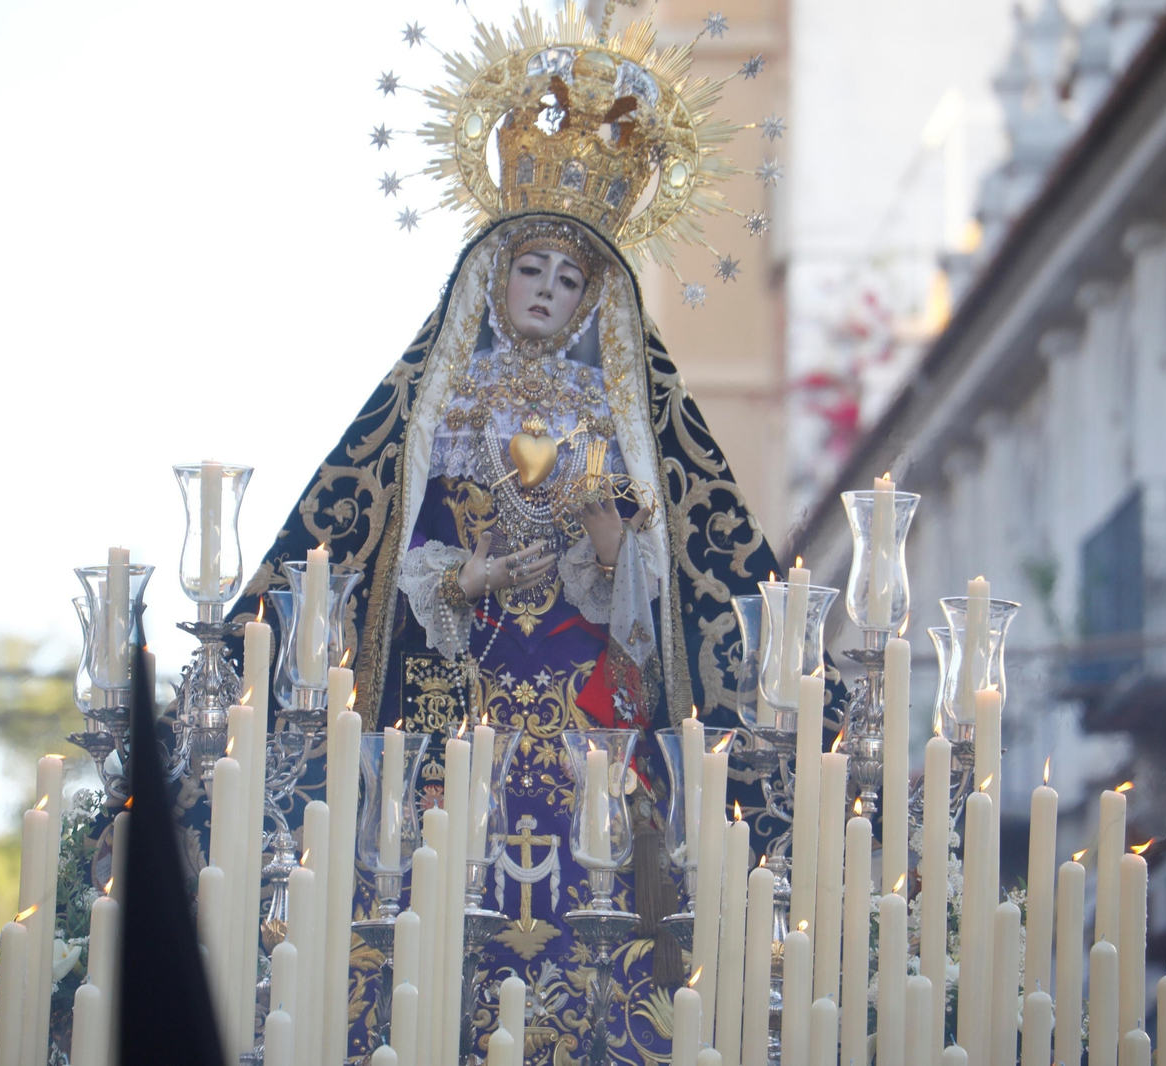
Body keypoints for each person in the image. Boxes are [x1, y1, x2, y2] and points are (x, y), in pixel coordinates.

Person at [231, 10, 843, 1063]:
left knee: (589, 888)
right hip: (454, 698)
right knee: (439, 881)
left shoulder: (619, 419)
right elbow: (387, 552)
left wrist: (608, 552)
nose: (548, 292)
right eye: (531, 272)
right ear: (492, 277)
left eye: (570, 282)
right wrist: (465, 572)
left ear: (592, 305)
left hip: (583, 713)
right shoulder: (437, 407)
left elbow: (662, 593)